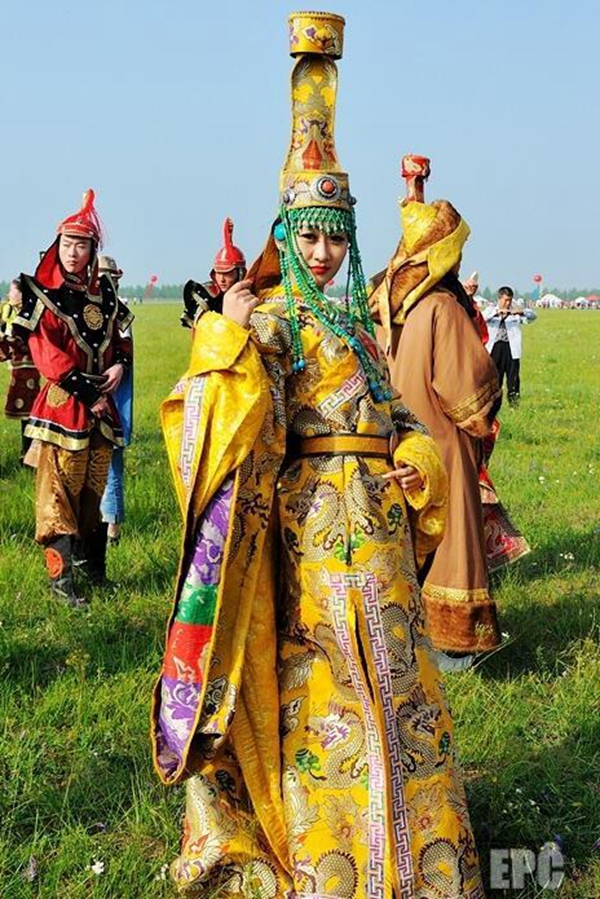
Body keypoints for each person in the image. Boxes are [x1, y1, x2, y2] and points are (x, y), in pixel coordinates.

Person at [152, 14, 484, 898]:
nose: (323, 251)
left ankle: (420, 854)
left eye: (336, 235)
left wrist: (418, 460)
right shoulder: (271, 323)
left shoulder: (363, 330)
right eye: (308, 236)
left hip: (383, 550)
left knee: (397, 682)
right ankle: (330, 856)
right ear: (287, 236)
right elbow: (215, 417)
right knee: (323, 692)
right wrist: (223, 334)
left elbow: (401, 416)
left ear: (350, 238)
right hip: (310, 549)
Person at [370, 157, 503, 662]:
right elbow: (469, 393)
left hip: (393, 442)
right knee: (451, 544)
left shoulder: (383, 307)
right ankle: (453, 647)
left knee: (403, 540)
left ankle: (400, 641)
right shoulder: (442, 308)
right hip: (441, 447)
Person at [13, 190, 133, 606]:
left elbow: (120, 341)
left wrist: (119, 367)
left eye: (81, 245)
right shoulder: (42, 295)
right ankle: (61, 584)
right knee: (58, 493)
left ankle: (92, 571)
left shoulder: (106, 294)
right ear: (57, 245)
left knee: (93, 488)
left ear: (92, 250)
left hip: (101, 408)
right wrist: (88, 392)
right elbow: (47, 353)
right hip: (64, 405)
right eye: (67, 243)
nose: (73, 252)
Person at [98, 255, 133, 547]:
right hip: (89, 402)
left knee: (111, 469)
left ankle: (112, 529)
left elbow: (124, 358)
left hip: (114, 402)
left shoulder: (119, 313)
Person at [0, 278, 41, 461]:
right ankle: (27, 453)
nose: (9, 294)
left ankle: (30, 455)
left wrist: (4, 340)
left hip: (29, 372)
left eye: (12, 291)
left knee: (29, 414)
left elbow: (20, 343)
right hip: (23, 371)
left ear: (21, 294)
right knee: (27, 414)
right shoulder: (22, 313)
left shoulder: (27, 316)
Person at [180, 218, 246, 328]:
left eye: (228, 274)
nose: (222, 279)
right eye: (219, 273)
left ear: (240, 273)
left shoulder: (249, 294)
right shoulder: (206, 295)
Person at [483, 285, 537, 405]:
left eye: (510, 300)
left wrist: (521, 312)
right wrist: (497, 313)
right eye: (505, 300)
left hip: (511, 348)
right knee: (495, 378)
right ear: (499, 299)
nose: (508, 303)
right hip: (495, 348)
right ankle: (494, 403)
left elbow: (533, 317)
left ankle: (514, 402)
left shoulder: (515, 313)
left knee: (513, 378)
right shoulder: (491, 310)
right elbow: (481, 318)